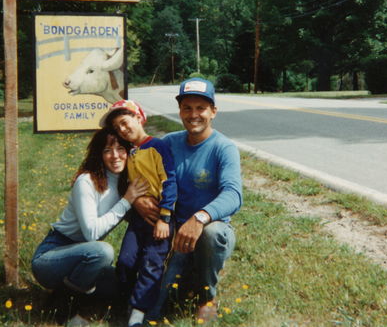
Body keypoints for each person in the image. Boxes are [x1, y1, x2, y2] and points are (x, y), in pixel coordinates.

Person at [136, 77, 243, 324]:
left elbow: (233, 194)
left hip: (210, 229)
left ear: (213, 111)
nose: (193, 114)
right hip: (175, 231)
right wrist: (136, 200)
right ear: (180, 111)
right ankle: (183, 271)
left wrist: (200, 218)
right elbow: (140, 168)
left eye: (201, 108)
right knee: (156, 301)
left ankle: (207, 297)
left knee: (212, 234)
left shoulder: (224, 148)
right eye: (187, 108)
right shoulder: (169, 143)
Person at [31, 127, 148, 325]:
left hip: (86, 260)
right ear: (99, 154)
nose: (115, 156)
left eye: (121, 149)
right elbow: (91, 233)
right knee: (103, 251)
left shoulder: (125, 184)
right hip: (51, 258)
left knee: (125, 284)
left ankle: (74, 290)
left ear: (129, 152)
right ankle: (64, 307)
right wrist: (127, 201)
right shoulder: (86, 181)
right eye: (107, 150)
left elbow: (138, 221)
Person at [102, 99, 177, 327]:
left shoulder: (157, 146)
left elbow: (169, 180)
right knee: (126, 260)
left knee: (151, 263)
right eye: (118, 128)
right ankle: (123, 301)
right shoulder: (130, 151)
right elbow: (126, 182)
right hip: (138, 219)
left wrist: (165, 217)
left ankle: (139, 310)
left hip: (160, 218)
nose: (123, 130)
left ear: (138, 117)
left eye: (125, 123)